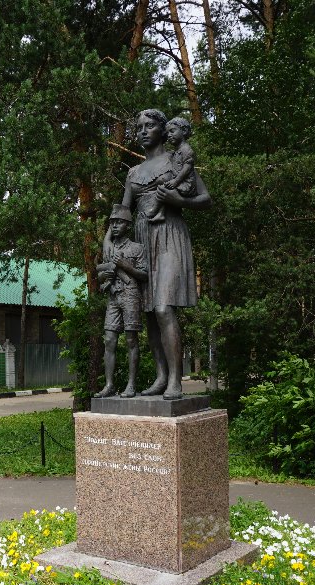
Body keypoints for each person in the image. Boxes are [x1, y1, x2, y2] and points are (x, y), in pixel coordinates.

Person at [121, 108, 212, 399]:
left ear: (163, 129)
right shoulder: (133, 173)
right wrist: (111, 245)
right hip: (143, 238)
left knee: (163, 307)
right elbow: (124, 212)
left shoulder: (178, 159)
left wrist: (175, 199)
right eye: (139, 127)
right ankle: (161, 376)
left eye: (149, 126)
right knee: (148, 311)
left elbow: (205, 198)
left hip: (170, 234)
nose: (143, 131)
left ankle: (176, 379)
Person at [94, 205, 147, 398]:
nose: (114, 226)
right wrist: (105, 276)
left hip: (130, 294)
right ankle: (109, 385)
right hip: (113, 296)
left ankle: (131, 385)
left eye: (118, 222)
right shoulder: (109, 249)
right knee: (109, 340)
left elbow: (144, 274)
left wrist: (126, 266)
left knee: (131, 339)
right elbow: (100, 277)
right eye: (112, 223)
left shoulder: (137, 248)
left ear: (127, 225)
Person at [142, 116, 197, 224]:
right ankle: (161, 213)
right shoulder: (176, 152)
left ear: (184, 131)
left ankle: (154, 211)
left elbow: (187, 168)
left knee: (163, 189)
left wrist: (175, 181)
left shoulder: (186, 150)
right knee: (164, 189)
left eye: (172, 131)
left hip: (186, 184)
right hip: (179, 182)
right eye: (168, 133)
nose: (169, 135)